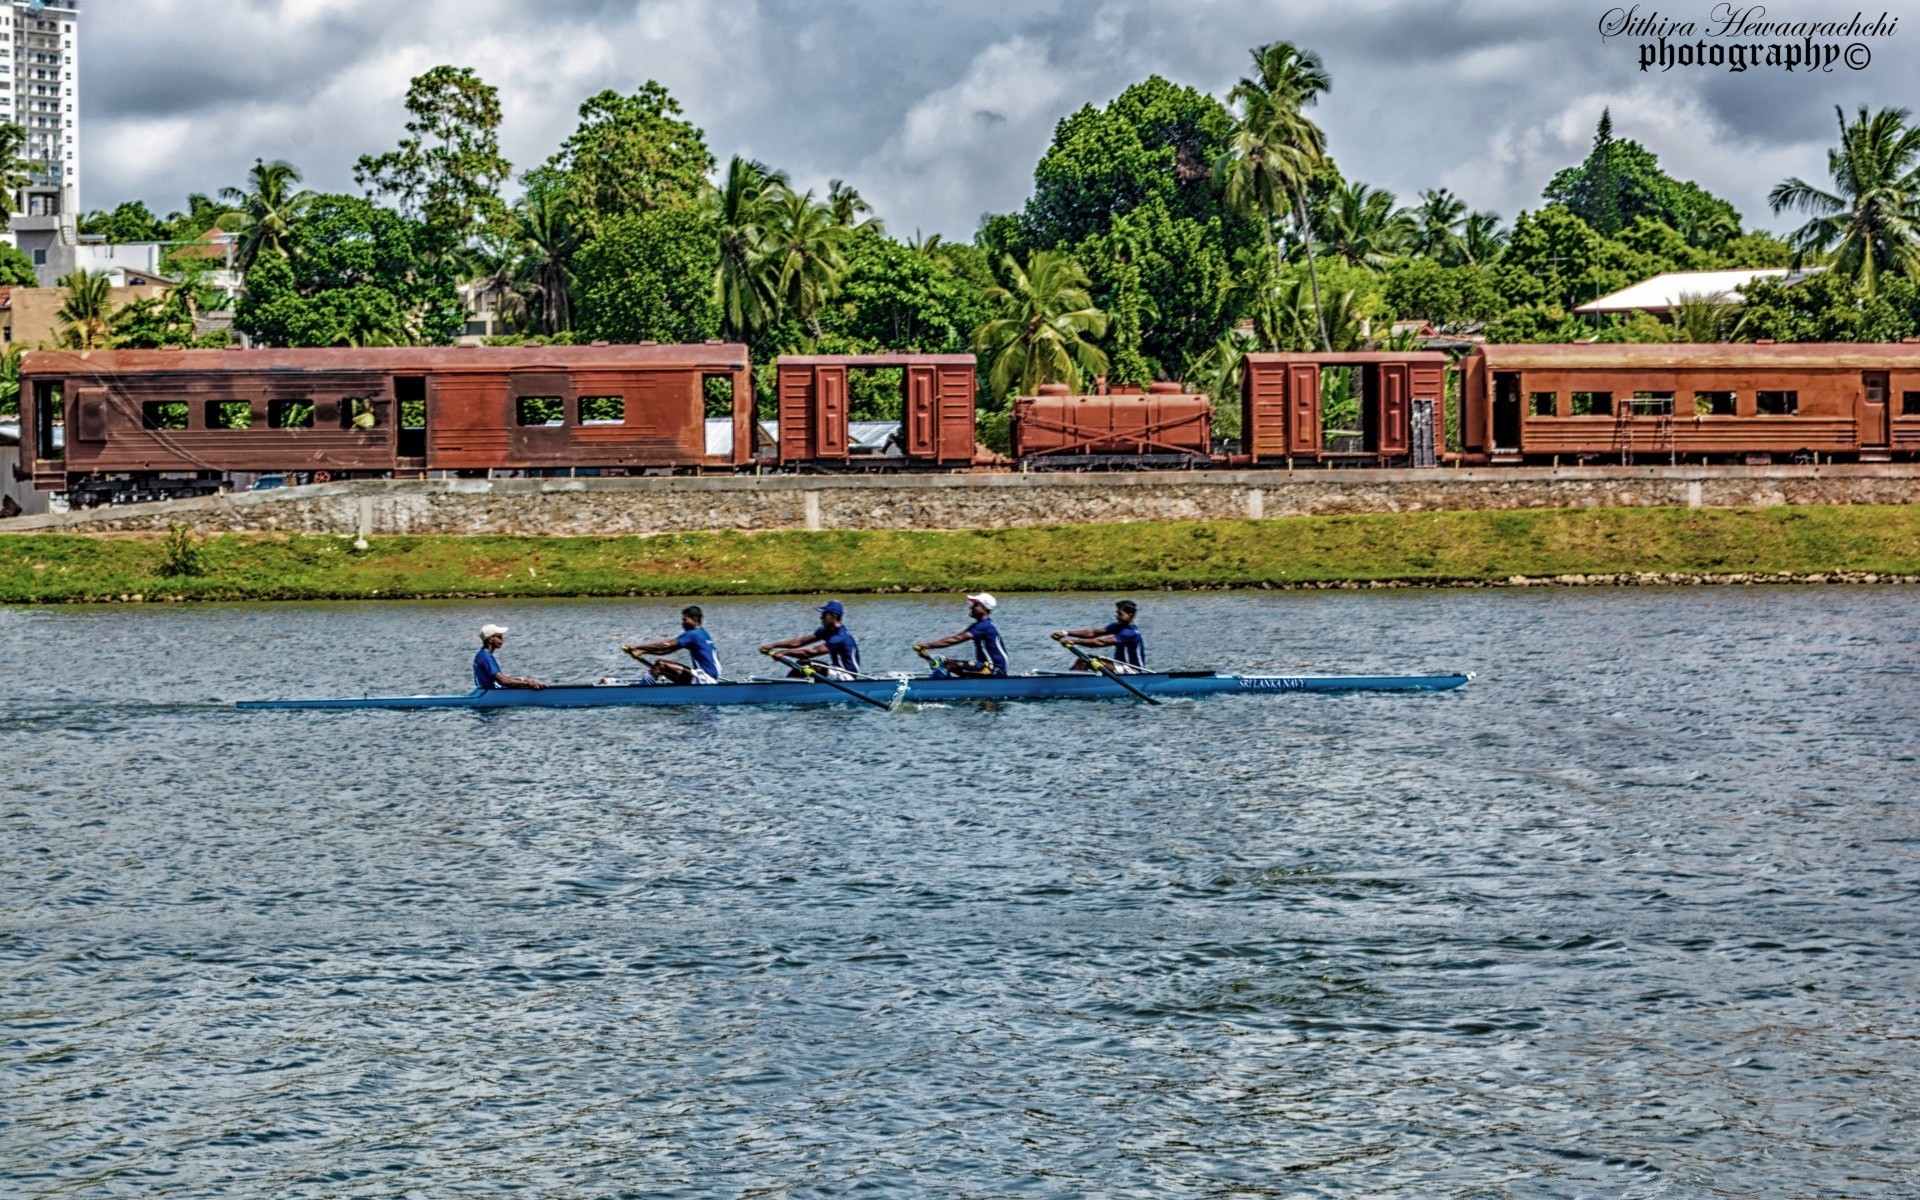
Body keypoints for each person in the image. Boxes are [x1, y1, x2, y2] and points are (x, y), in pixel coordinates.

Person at [914, 593, 1010, 678]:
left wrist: (926, 646)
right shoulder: (980, 625)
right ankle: (946, 687)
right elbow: (956, 637)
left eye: (975, 604)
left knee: (948, 664)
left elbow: (955, 639)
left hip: (994, 669)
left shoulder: (984, 626)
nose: (971, 607)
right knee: (947, 663)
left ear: (985, 609)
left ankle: (932, 688)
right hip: (991, 668)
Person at [759, 600, 862, 679]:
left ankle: (786, 689)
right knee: (802, 663)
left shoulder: (840, 637)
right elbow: (799, 642)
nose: (821, 618)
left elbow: (810, 652)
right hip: (836, 671)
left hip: (847, 676)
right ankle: (789, 686)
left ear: (833, 616)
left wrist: (783, 652)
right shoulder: (826, 631)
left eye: (824, 614)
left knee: (806, 664)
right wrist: (772, 646)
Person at [623, 606, 722, 684]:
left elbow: (666, 645)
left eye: (685, 619)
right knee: (662, 668)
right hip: (709, 678)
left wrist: (637, 647)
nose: (682, 623)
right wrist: (644, 651)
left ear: (694, 619)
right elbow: (667, 650)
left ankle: (641, 691)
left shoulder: (693, 634)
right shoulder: (702, 633)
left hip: (704, 678)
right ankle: (646, 687)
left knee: (661, 664)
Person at [1054, 600, 1146, 673]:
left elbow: (1101, 642)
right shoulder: (1118, 626)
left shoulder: (1130, 633)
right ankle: (1071, 681)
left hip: (1132, 670)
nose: (1116, 616)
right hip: (1119, 665)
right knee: (1087, 657)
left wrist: (1075, 641)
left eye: (1120, 614)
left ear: (1130, 615)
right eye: (1117, 613)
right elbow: (1092, 633)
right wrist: (1065, 633)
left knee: (1085, 660)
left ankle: (1067, 684)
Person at [473, 624, 545, 690]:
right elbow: (503, 681)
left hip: (486, 691)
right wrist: (528, 683)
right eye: (499, 636)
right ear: (491, 639)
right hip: (491, 693)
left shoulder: (482, 654)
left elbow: (503, 679)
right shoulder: (486, 657)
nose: (502, 639)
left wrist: (523, 680)